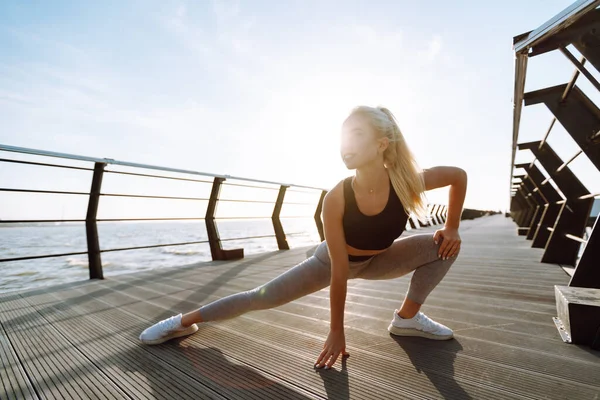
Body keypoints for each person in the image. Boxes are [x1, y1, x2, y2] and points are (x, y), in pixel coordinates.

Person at [139, 105, 467, 371]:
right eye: (343, 136)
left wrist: (451, 227)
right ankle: (181, 321)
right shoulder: (337, 198)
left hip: (378, 260)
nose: (346, 145)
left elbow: (458, 176)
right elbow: (340, 271)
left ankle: (406, 319)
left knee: (445, 247)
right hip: (332, 262)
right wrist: (336, 330)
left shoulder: (406, 182)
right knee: (259, 298)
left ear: (382, 143)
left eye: (356, 135)